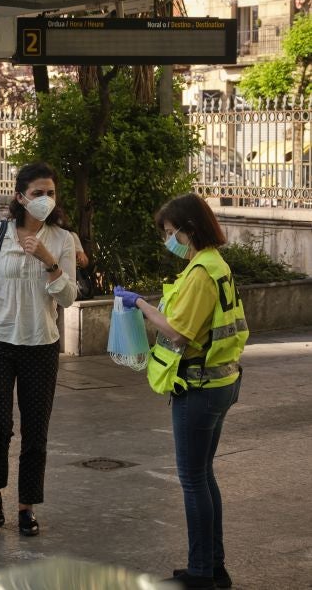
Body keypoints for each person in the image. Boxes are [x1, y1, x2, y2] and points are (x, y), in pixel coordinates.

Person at [115, 193, 248, 590]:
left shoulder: (203, 271)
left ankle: (202, 572)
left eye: (171, 232)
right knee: (203, 476)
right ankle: (213, 566)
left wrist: (138, 303)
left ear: (190, 229)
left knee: (192, 479)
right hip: (221, 380)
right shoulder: (212, 265)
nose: (168, 240)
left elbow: (178, 330)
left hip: (200, 387)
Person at [0, 162, 77, 534]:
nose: (45, 199)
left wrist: (48, 261)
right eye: (38, 193)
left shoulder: (62, 240)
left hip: (40, 343)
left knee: (36, 431)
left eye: (51, 193)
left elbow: (70, 298)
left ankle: (27, 507)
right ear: (20, 197)